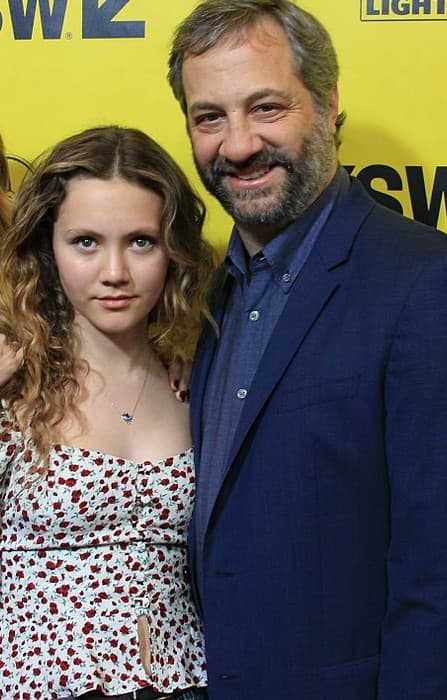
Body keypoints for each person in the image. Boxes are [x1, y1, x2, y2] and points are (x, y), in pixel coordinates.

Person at [167, 1, 447, 698]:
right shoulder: (195, 296)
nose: (235, 145)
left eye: (265, 108)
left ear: (326, 104)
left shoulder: (422, 281)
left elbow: (435, 571)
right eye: (209, 117)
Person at [0, 125, 212, 700]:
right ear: (49, 246)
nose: (114, 272)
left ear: (174, 248)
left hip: (184, 684)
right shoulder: (10, 385)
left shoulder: (206, 376)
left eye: (141, 241)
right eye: (86, 242)